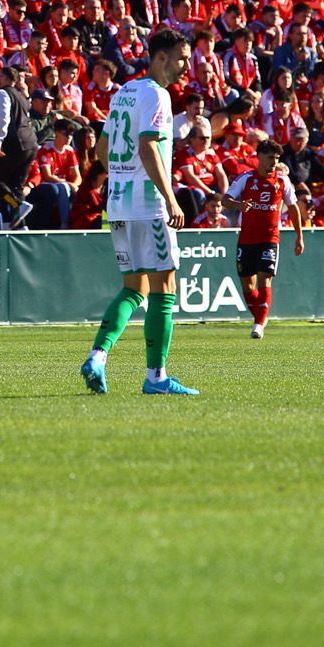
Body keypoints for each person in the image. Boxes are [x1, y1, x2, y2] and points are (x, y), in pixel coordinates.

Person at [82, 30, 198, 397]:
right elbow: (148, 147)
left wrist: (120, 177)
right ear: (161, 57)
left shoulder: (123, 93)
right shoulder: (157, 95)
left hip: (117, 203)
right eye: (181, 58)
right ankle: (157, 377)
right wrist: (171, 199)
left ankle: (98, 357)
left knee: (134, 289)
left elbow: (101, 148)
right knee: (164, 290)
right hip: (149, 205)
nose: (186, 66)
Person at [226, 138, 306, 340]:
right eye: (270, 157)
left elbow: (294, 208)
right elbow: (225, 199)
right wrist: (238, 205)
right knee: (247, 284)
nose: (274, 161)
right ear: (259, 157)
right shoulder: (246, 179)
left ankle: (259, 324)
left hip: (270, 238)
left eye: (277, 157)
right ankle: (260, 317)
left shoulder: (282, 181)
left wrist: (299, 236)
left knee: (265, 279)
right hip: (246, 239)